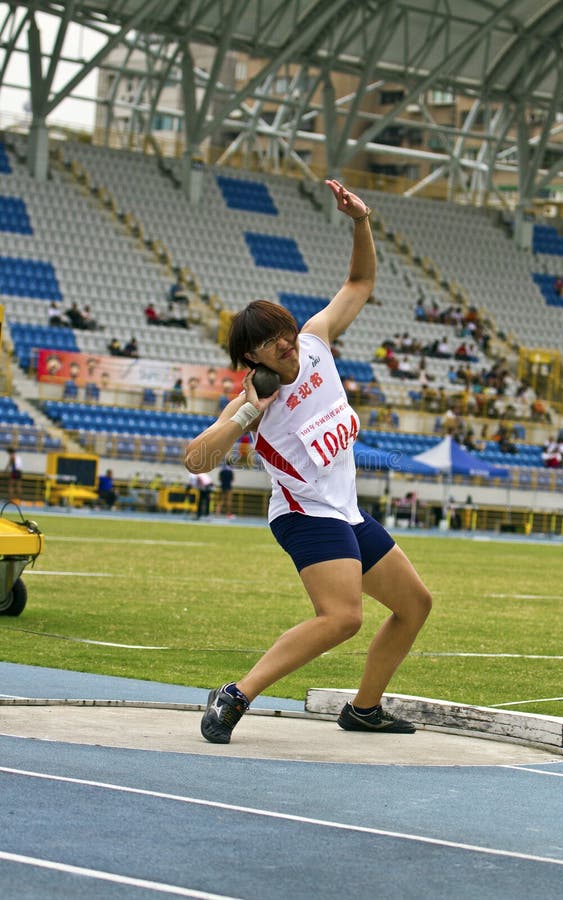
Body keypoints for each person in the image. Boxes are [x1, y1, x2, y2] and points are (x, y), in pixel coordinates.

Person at [185, 179, 432, 745]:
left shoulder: (317, 341)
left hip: (344, 510)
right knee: (343, 616)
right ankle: (236, 694)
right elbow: (196, 458)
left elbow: (360, 281)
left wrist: (360, 222)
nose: (287, 344)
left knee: (414, 603)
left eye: (286, 331)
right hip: (302, 514)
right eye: (272, 342)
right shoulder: (252, 402)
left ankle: (364, 708)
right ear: (251, 356)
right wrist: (248, 415)